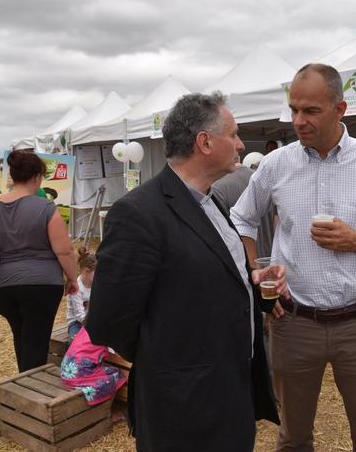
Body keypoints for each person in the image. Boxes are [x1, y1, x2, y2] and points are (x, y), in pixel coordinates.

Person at [231, 63, 356, 452]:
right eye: (294, 109)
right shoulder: (276, 163)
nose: (298, 120)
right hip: (293, 321)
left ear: (341, 108)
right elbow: (241, 218)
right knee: (293, 437)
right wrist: (255, 268)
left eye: (310, 111)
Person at [86, 92, 280, 452]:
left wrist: (252, 285)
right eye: (234, 134)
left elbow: (203, 279)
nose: (240, 144)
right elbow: (108, 321)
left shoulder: (213, 200)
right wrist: (174, 360)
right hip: (182, 408)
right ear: (204, 142)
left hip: (230, 394)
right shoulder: (139, 213)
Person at [0, 150, 78, 372]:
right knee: (36, 341)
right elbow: (64, 251)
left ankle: (23, 382)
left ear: (12, 175)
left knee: (20, 335)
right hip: (41, 284)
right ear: (37, 177)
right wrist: (72, 278)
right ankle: (31, 390)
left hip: (2, 286)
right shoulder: (46, 207)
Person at [212, 152, 275, 258]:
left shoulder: (217, 187)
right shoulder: (265, 180)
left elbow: (219, 234)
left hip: (243, 262)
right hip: (271, 259)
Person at [66, 247, 95, 342]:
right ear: (86, 271)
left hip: (92, 322)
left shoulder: (97, 285)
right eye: (96, 272)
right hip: (77, 322)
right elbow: (79, 314)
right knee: (76, 341)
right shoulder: (76, 287)